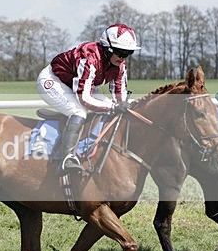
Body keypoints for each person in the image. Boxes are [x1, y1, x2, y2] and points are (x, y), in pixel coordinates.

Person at [36, 23, 140, 173]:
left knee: (108, 105)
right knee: (78, 111)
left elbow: (119, 95)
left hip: (75, 83)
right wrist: (113, 107)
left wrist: (121, 105)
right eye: (120, 52)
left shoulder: (120, 66)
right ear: (107, 49)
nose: (123, 58)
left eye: (127, 53)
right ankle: (67, 158)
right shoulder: (89, 59)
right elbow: (84, 99)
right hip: (53, 80)